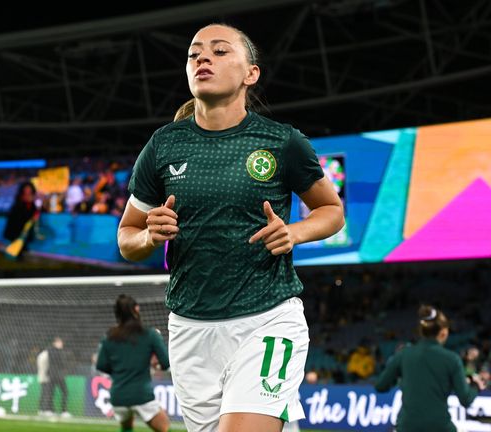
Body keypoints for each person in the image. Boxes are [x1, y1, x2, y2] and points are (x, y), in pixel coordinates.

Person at [117, 23, 345, 432]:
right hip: (189, 330)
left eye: (220, 51)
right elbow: (126, 237)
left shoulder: (282, 142)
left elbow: (331, 209)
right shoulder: (163, 145)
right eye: (194, 53)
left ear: (250, 73)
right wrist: (149, 235)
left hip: (268, 318)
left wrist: (295, 232)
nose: (203, 58)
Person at [375, 305, 485, 432]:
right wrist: (476, 386)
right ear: (443, 332)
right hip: (439, 427)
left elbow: (380, 386)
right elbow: (465, 399)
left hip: (407, 427)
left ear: (421, 331)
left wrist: (402, 377)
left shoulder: (404, 354)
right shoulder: (452, 359)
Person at [96, 294, 171, 432]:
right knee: (165, 427)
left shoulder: (109, 336)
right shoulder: (150, 335)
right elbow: (166, 363)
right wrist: (155, 364)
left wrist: (121, 366)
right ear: (136, 309)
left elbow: (101, 365)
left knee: (126, 427)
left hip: (118, 396)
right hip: (141, 395)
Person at [36, 336, 71, 417]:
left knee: (50, 393)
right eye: (59, 342)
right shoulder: (50, 352)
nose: (61, 344)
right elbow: (44, 365)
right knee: (49, 393)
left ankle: (48, 410)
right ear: (54, 343)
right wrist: (44, 375)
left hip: (53, 376)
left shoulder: (55, 352)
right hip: (52, 376)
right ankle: (47, 410)